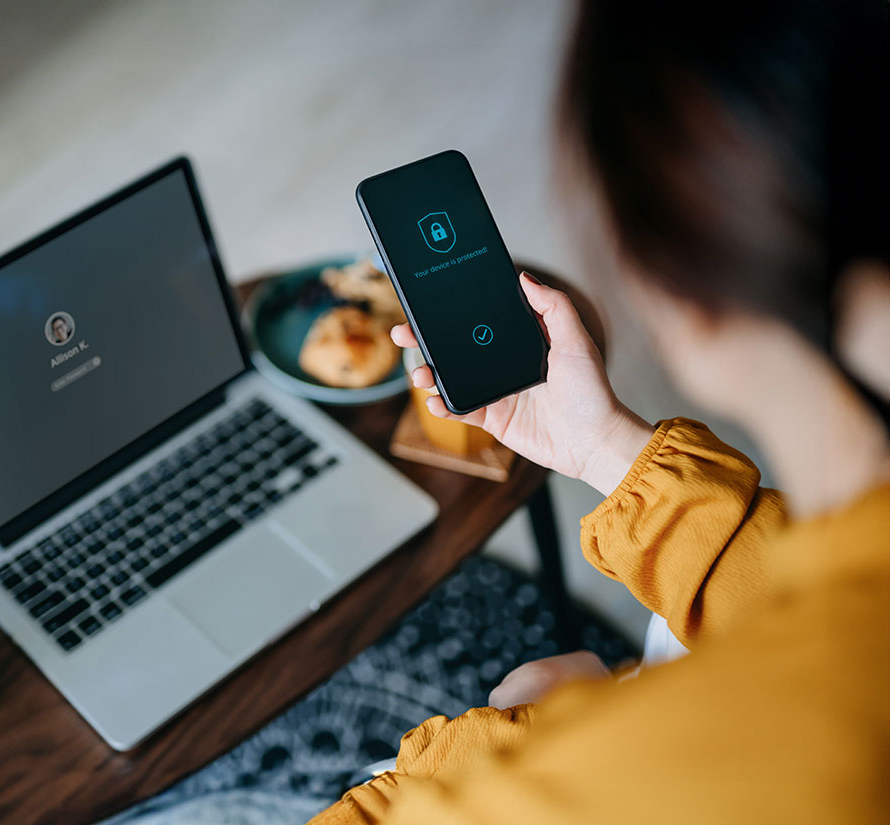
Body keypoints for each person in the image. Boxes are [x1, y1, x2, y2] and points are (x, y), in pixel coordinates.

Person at [309, 0, 890, 822]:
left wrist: (535, 725)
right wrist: (602, 444)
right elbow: (830, 613)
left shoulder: (630, 773)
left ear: (672, 280)